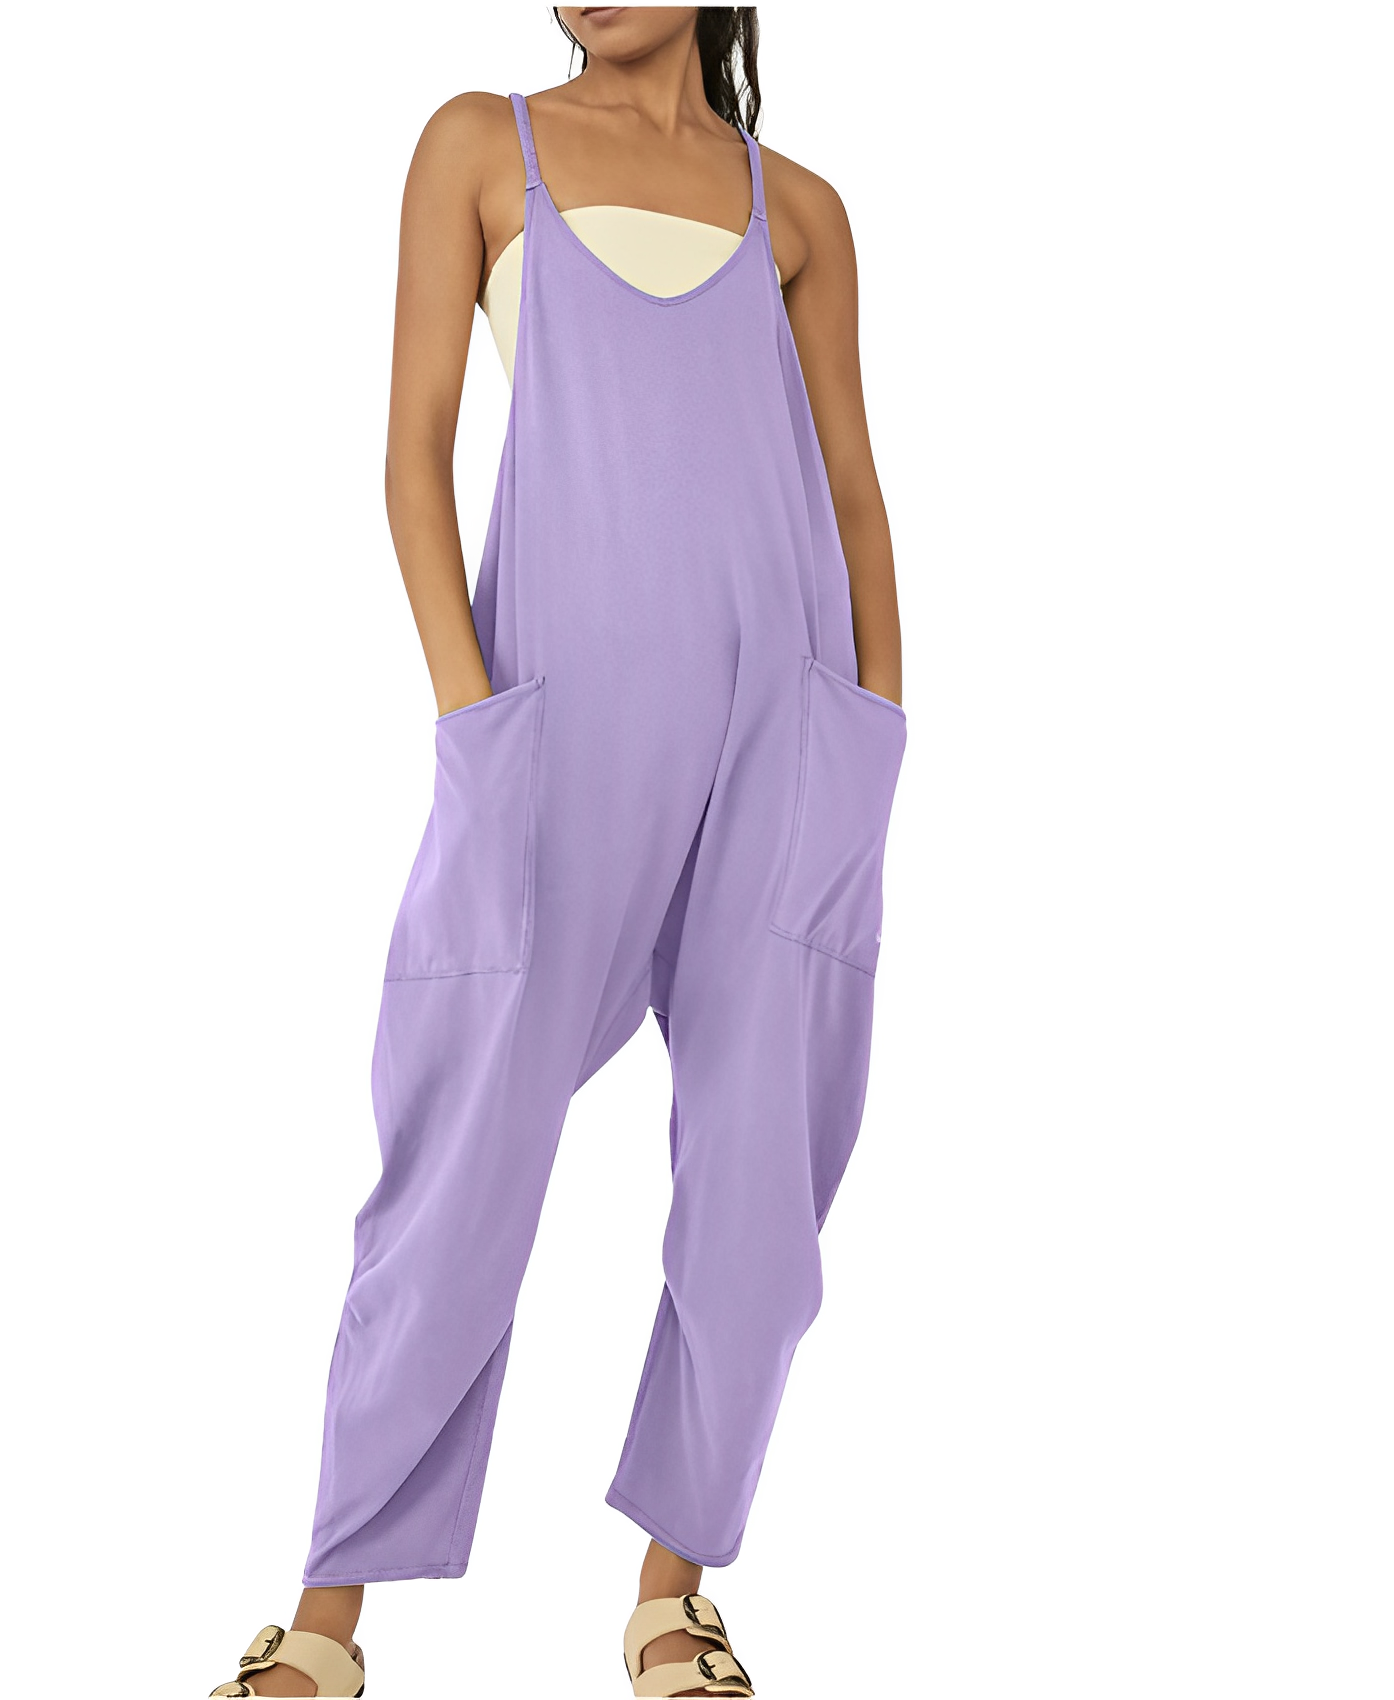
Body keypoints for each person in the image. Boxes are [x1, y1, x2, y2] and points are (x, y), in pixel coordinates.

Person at [208, 9, 906, 1696]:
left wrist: (873, 725)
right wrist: (473, 709)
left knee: (763, 1186)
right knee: (458, 1152)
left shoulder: (800, 209)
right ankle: (326, 1619)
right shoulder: (482, 145)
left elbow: (851, 488)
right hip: (549, 732)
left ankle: (672, 1596)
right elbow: (412, 452)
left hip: (788, 735)